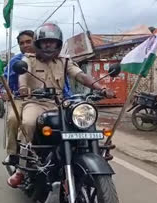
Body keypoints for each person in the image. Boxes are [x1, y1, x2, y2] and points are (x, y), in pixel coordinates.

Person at [7, 23, 115, 188]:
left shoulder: (65, 61)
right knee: (28, 123)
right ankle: (21, 169)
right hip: (36, 102)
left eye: (53, 42)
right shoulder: (29, 59)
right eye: (45, 42)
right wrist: (23, 88)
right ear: (39, 43)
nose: (49, 45)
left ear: (58, 44)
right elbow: (22, 75)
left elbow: (81, 76)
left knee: (83, 122)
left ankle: (88, 157)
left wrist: (101, 88)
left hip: (60, 103)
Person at [4, 30, 35, 163]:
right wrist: (6, 91)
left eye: (29, 41)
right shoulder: (15, 61)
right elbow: (6, 81)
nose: (25, 45)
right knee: (13, 119)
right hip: (20, 99)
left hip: (47, 100)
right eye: (22, 43)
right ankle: (14, 153)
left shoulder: (48, 58)